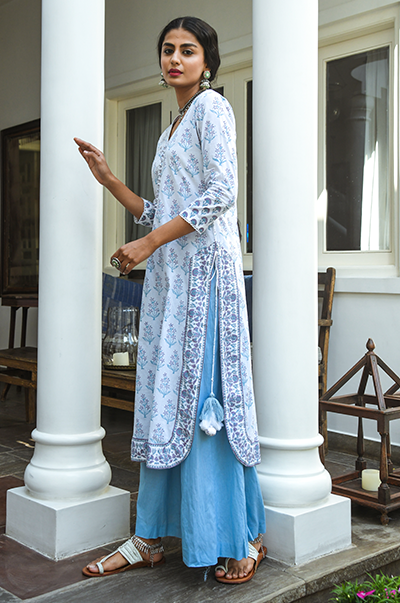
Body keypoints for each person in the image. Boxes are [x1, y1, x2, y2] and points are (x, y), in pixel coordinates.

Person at [75, 15, 266, 584]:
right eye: (167, 49)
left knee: (203, 402)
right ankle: (151, 536)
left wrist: (149, 243)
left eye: (187, 50)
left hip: (205, 280)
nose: (175, 59)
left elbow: (221, 193)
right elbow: (162, 211)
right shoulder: (170, 130)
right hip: (171, 284)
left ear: (207, 61)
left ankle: (236, 535)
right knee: (165, 400)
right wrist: (111, 181)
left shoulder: (213, 109)